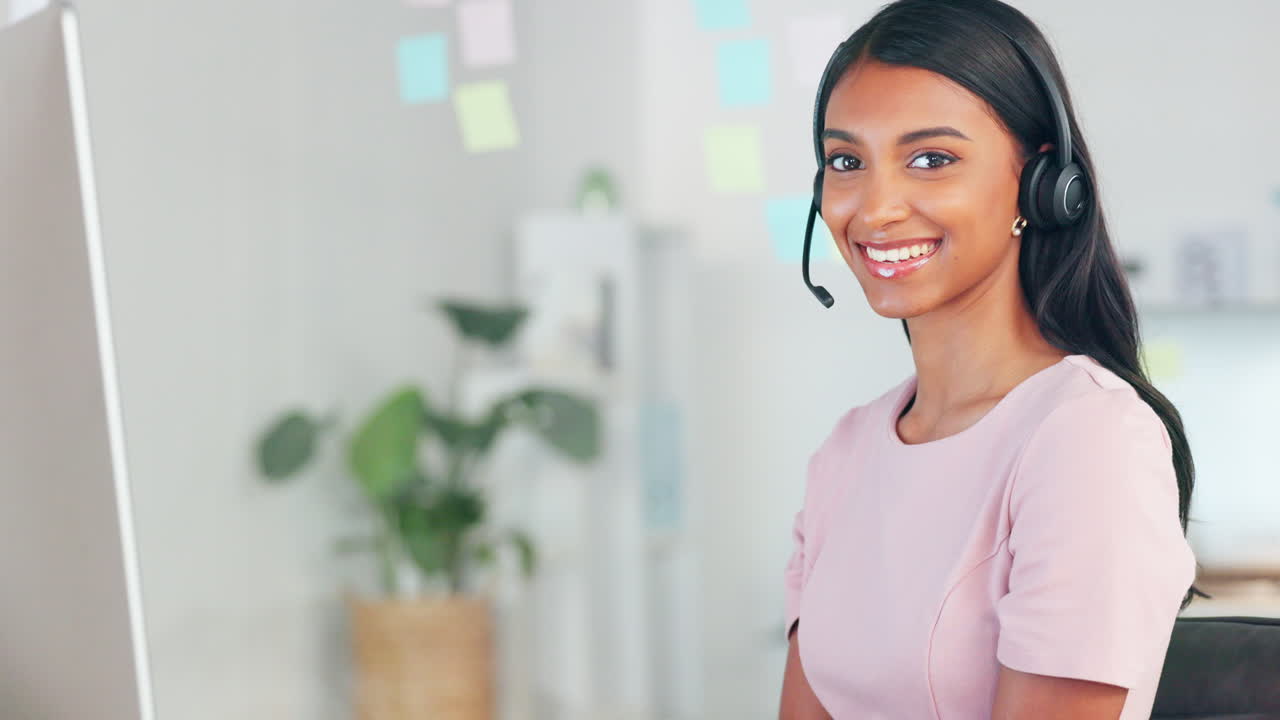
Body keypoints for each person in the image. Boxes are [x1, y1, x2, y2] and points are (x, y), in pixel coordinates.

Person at [778, 1, 1206, 718]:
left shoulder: (1090, 439)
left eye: (931, 159)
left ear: (1040, 181)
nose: (875, 209)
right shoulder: (846, 453)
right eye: (847, 161)